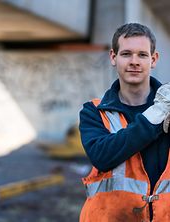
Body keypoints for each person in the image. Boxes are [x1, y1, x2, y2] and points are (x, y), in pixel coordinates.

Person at [79, 23, 170, 222]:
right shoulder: (94, 111)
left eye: (142, 55)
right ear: (113, 57)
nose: (134, 62)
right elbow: (103, 157)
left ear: (153, 60)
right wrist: (158, 113)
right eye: (127, 54)